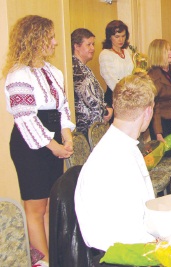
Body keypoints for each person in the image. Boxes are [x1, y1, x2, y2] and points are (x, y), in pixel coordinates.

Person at [3, 15, 75, 265]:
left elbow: (62, 108)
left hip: (52, 140)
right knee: (35, 208)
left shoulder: (53, 71)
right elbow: (25, 118)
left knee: (49, 204)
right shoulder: (17, 75)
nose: (55, 42)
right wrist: (53, 146)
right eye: (50, 37)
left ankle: (52, 258)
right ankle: (41, 262)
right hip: (29, 146)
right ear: (35, 39)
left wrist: (66, 136)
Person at [75, 73, 156, 258]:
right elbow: (135, 233)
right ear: (148, 112)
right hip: (120, 255)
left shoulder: (117, 145)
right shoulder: (119, 159)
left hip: (118, 247)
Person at [147, 39, 171, 192]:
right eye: (166, 50)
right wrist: (158, 132)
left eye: (170, 49)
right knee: (164, 158)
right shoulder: (151, 76)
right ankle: (166, 192)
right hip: (160, 120)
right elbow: (154, 106)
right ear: (158, 54)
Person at [71, 28, 113, 138]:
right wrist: (105, 111)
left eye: (93, 44)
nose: (93, 48)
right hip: (85, 130)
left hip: (93, 128)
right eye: (88, 44)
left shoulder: (83, 67)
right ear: (76, 46)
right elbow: (89, 98)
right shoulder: (76, 69)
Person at [99, 20, 134, 109]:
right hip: (115, 96)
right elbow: (111, 80)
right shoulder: (105, 54)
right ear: (110, 37)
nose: (121, 39)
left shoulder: (126, 52)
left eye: (123, 36)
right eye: (117, 36)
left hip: (130, 95)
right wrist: (126, 94)